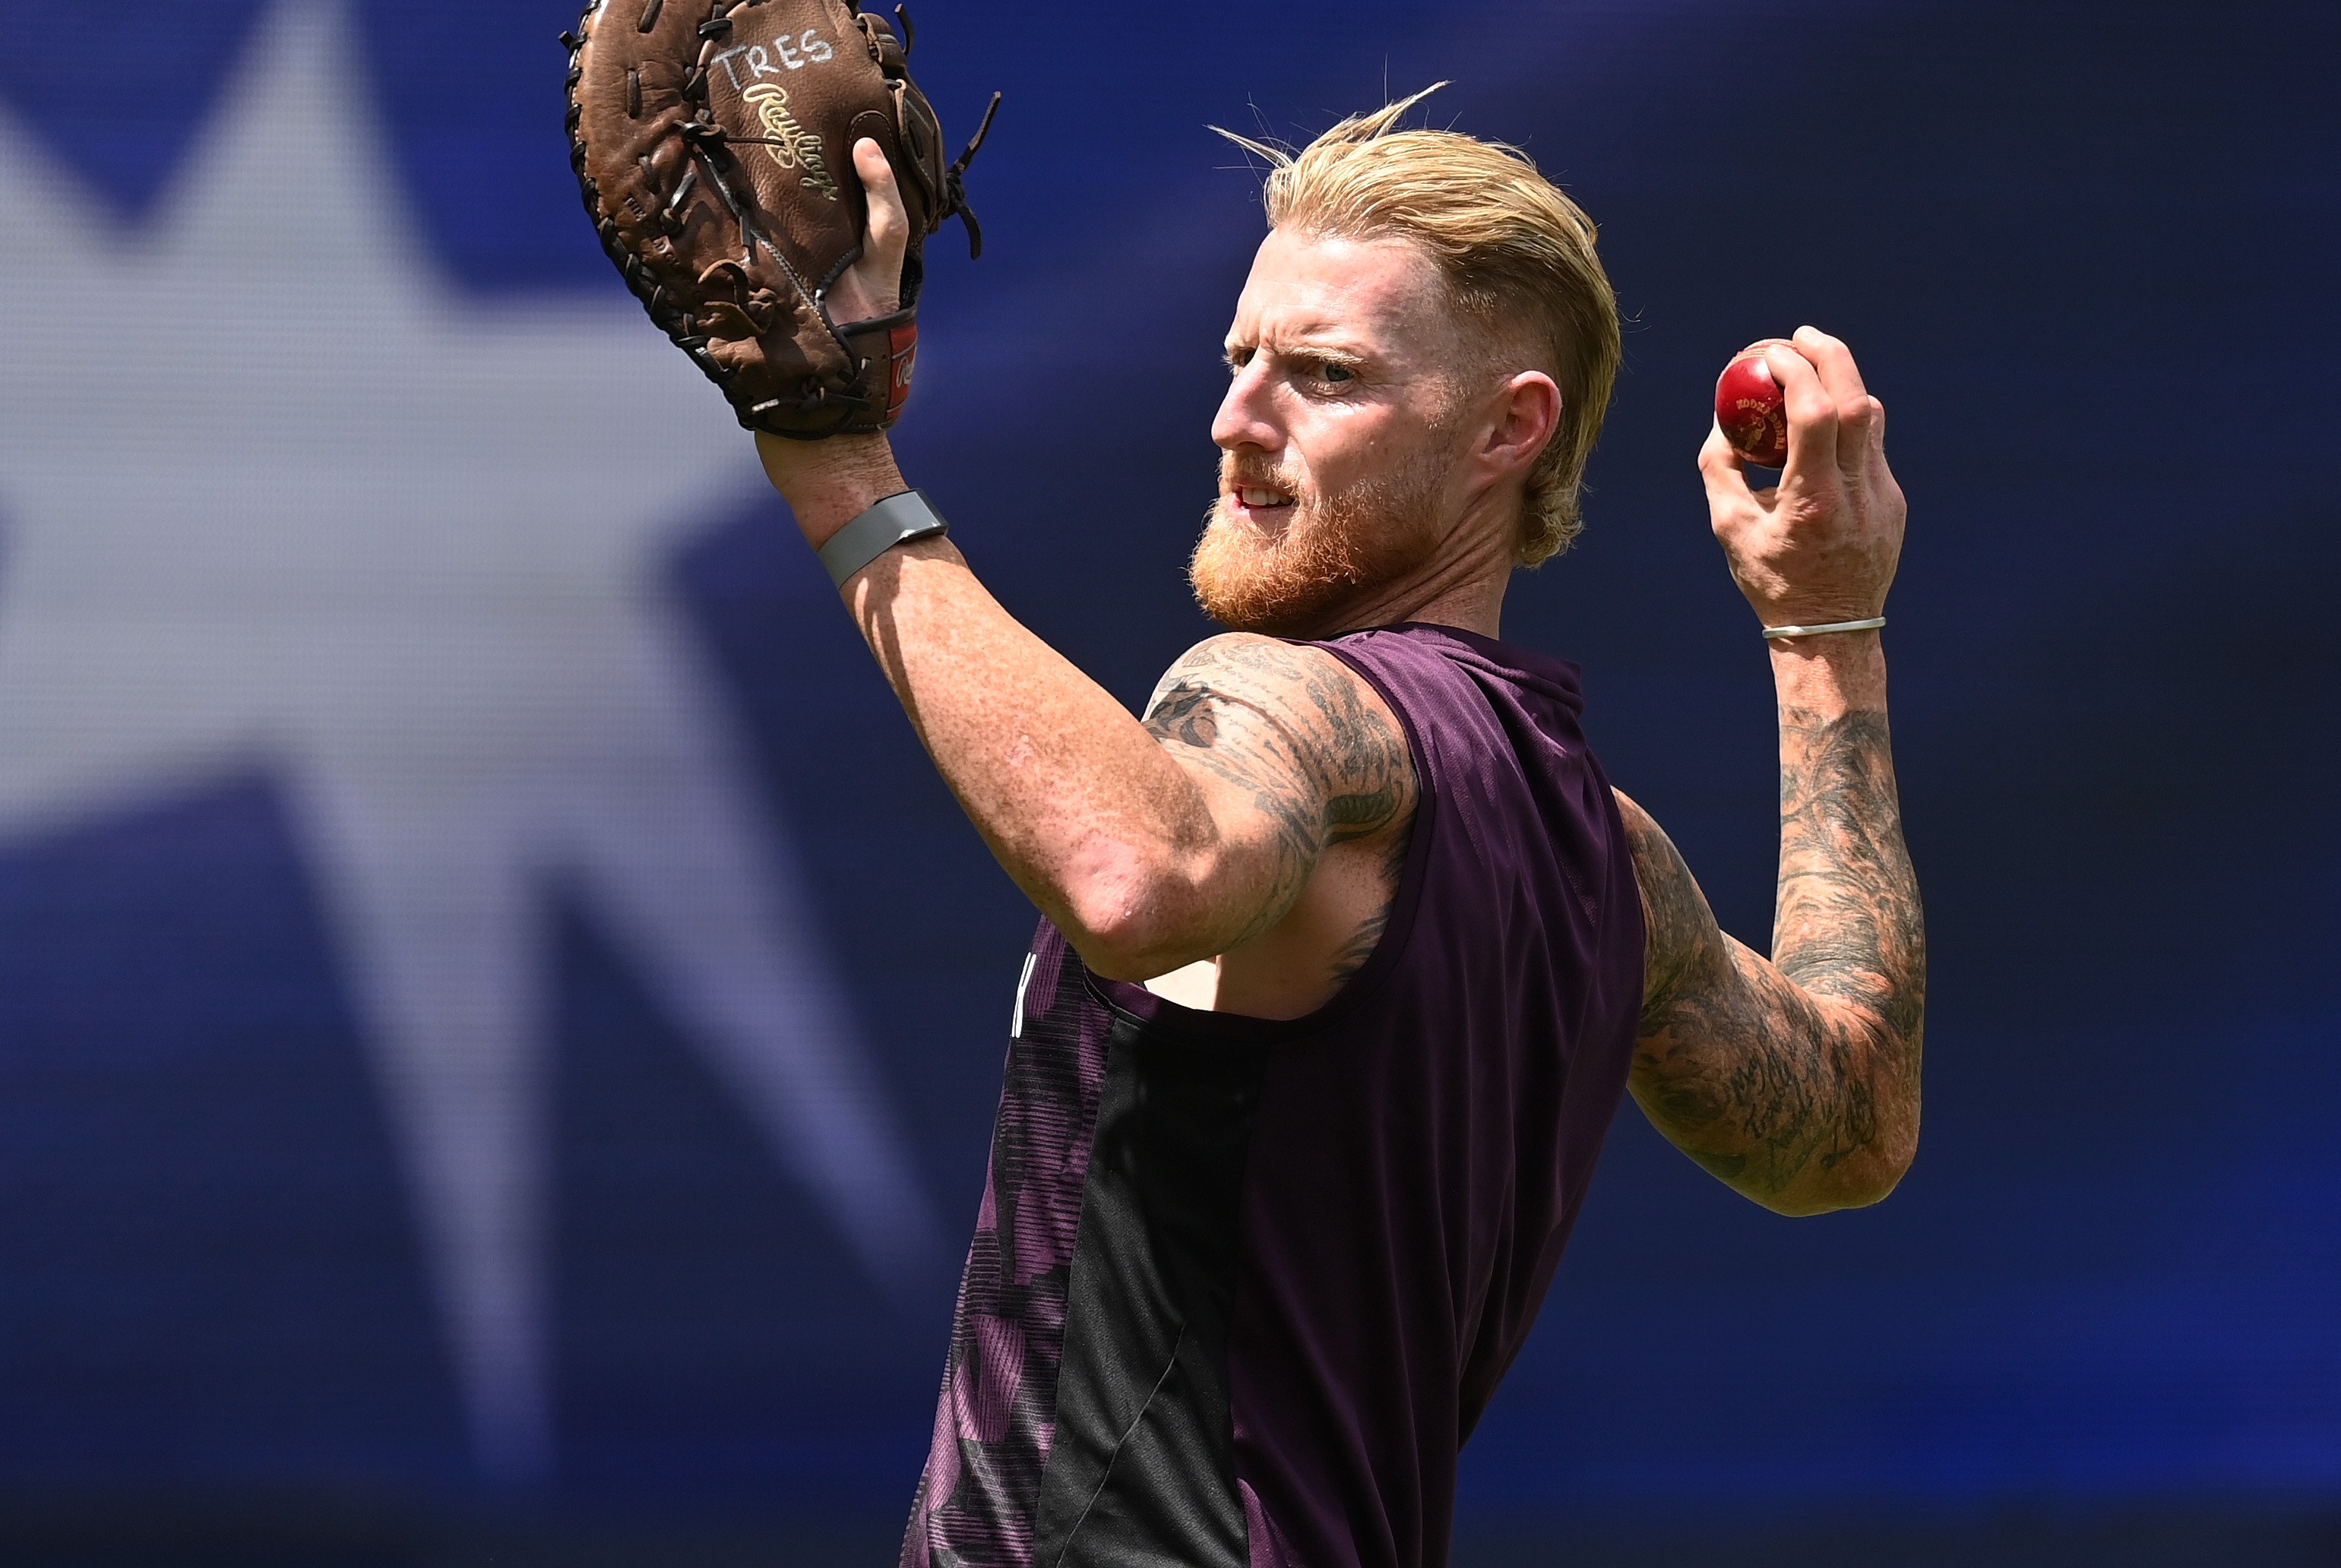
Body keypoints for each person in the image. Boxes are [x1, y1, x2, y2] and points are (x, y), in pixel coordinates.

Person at [755, 97, 1922, 1568]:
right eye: (1239, 359)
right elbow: (1846, 1130)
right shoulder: (1610, 863)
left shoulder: (1293, 702)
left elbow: (1140, 872)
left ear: (1510, 427)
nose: (1237, 420)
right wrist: (1828, 631)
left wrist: (839, 470)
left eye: (1321, 375)